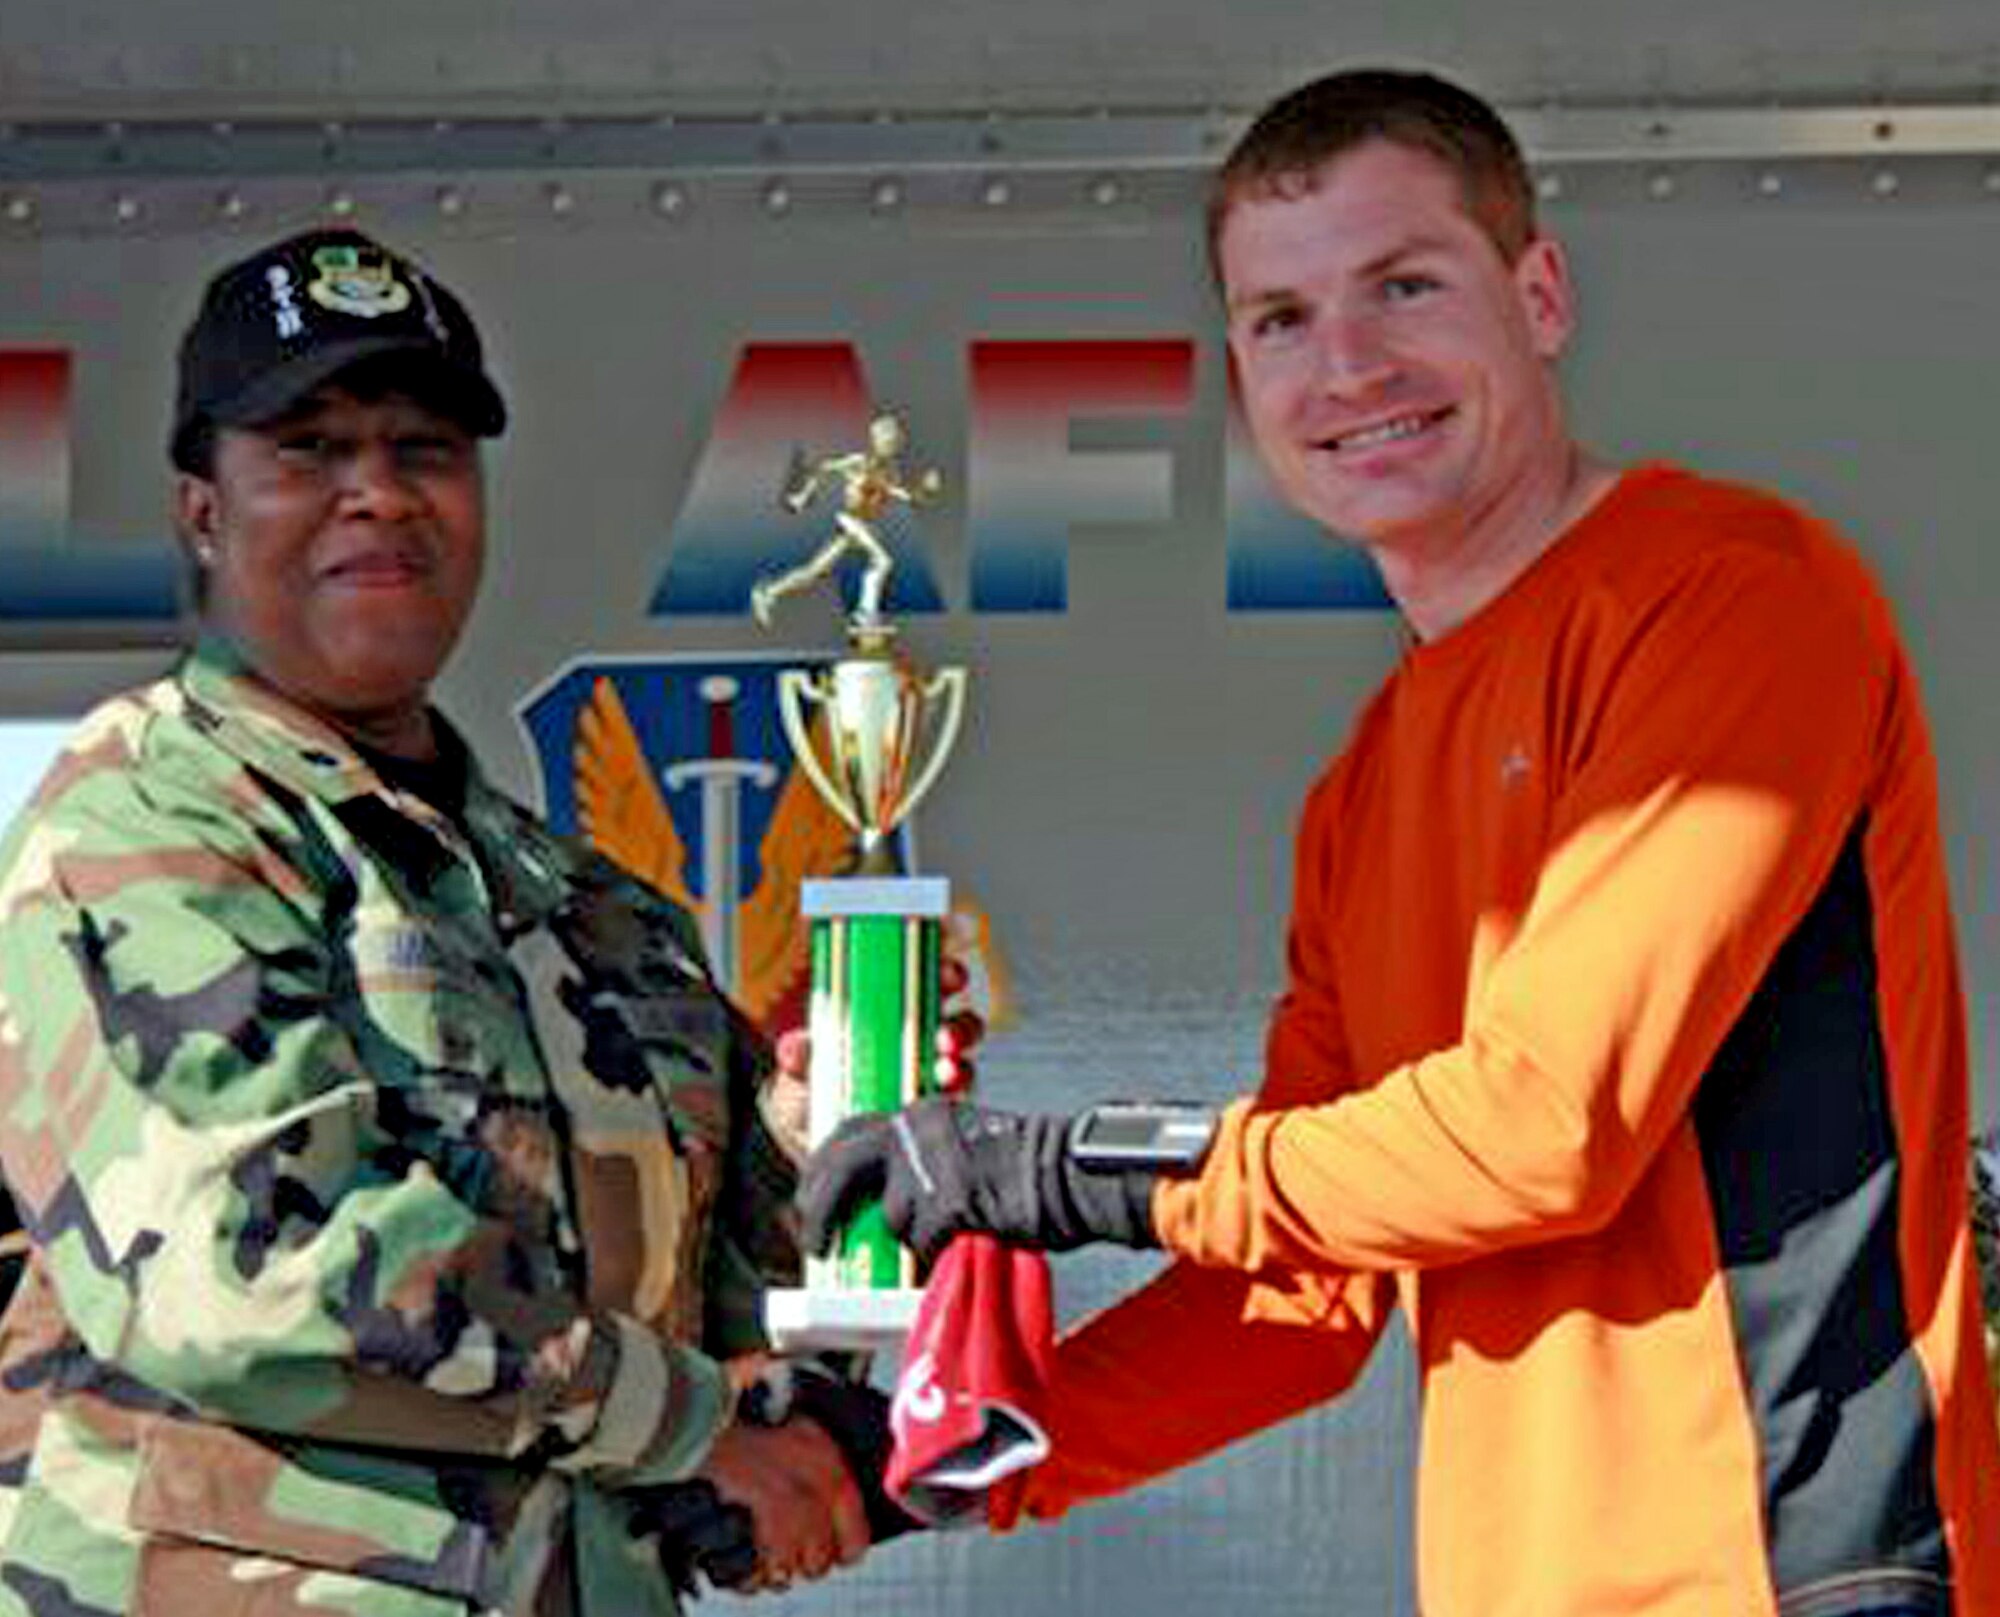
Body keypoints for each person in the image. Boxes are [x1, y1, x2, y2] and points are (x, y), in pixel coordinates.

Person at [800, 68, 2000, 1617]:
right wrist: (933, 1456)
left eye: (1405, 286)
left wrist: (1068, 1165)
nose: (1349, 365)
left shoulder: (1735, 598)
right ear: (1239, 376)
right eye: (1281, 320)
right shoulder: (1364, 787)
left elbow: (1545, 1125)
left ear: (1541, 292)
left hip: (1795, 1574)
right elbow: (1299, 1298)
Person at [0, 227, 913, 1615]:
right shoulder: (143, 825)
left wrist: (847, 1124)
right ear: (202, 510)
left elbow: (718, 1307)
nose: (377, 492)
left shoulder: (589, 906)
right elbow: (243, 1264)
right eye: (307, 449)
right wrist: (684, 1425)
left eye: (423, 448)